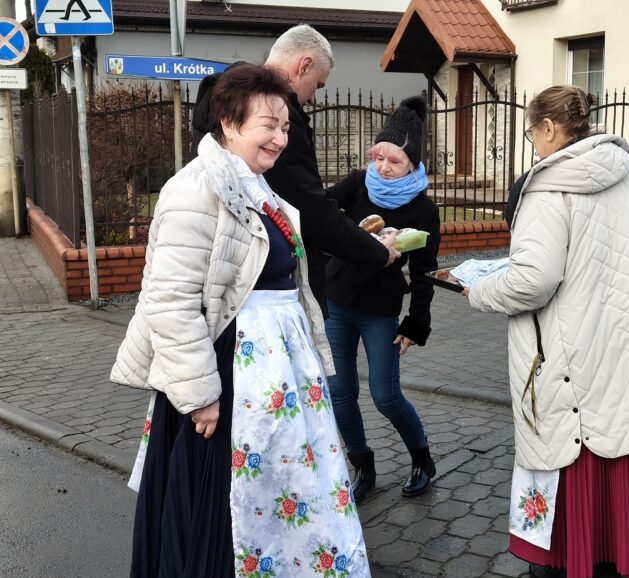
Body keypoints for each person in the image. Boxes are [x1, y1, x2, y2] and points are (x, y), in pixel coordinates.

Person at [111, 64, 371, 578]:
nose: (279, 138)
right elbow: (169, 301)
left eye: (285, 127)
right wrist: (201, 395)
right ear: (229, 123)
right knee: (223, 514)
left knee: (276, 502)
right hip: (226, 385)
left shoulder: (255, 185)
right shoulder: (196, 189)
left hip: (271, 385)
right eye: (268, 126)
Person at [464, 85, 629, 578]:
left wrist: (477, 291)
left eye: (533, 132)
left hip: (580, 356)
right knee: (626, 460)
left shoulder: (548, 187)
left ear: (550, 129)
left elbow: (533, 280)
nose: (533, 142)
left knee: (576, 476)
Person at [192, 25, 399, 317]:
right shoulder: (187, 196)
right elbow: (308, 210)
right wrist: (375, 252)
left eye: (286, 129)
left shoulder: (243, 172)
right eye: (319, 84)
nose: (280, 140)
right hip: (258, 308)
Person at [323, 96, 441, 502]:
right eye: (379, 157)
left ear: (412, 164)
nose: (383, 168)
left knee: (385, 395)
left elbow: (425, 271)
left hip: (380, 310)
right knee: (340, 390)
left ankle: (422, 458)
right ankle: (362, 465)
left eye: (394, 161)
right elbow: (320, 213)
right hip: (337, 303)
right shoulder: (358, 184)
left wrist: (416, 323)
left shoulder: (423, 209)